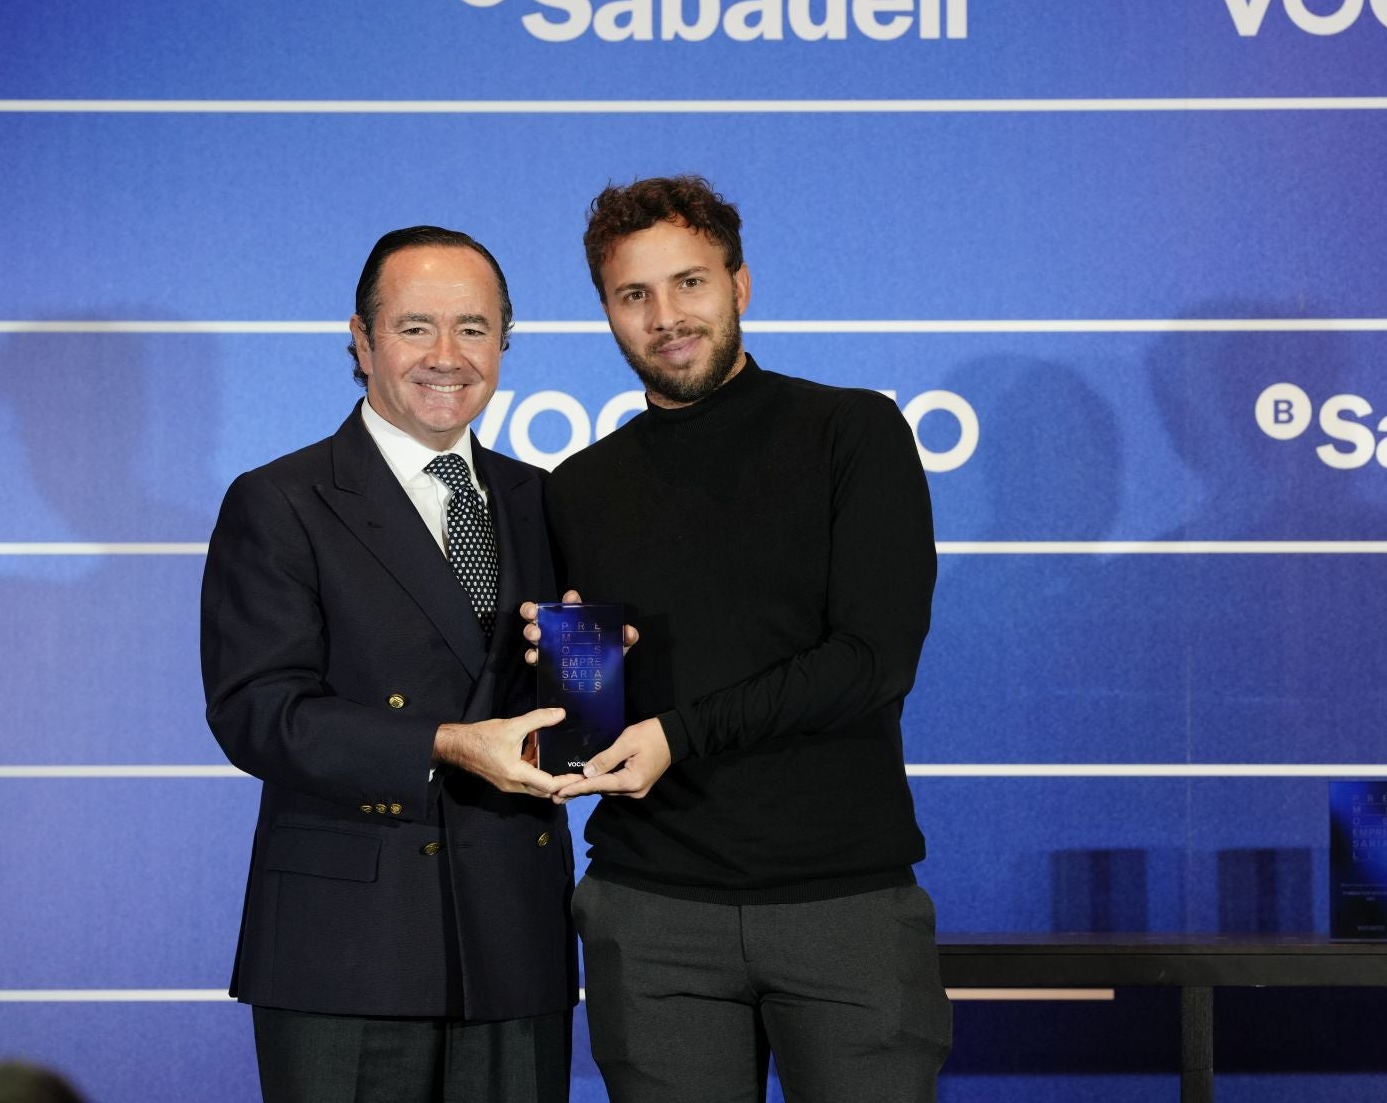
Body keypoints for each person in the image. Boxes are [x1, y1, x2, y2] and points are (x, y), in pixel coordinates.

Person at [532, 175, 951, 1102]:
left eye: (691, 283)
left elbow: (873, 661)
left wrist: (680, 734)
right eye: (633, 294)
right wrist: (560, 672)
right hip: (650, 913)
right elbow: (582, 700)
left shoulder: (852, 432)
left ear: (741, 285)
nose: (666, 316)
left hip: (840, 906)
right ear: (605, 309)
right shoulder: (578, 487)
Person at [201, 227, 579, 1103]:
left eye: (475, 329)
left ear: (505, 345)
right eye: (415, 328)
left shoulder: (542, 499)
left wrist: (601, 674)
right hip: (349, 949)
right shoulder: (281, 499)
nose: (447, 357)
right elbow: (259, 711)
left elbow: (554, 699)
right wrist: (444, 742)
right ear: (362, 342)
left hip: (515, 940)